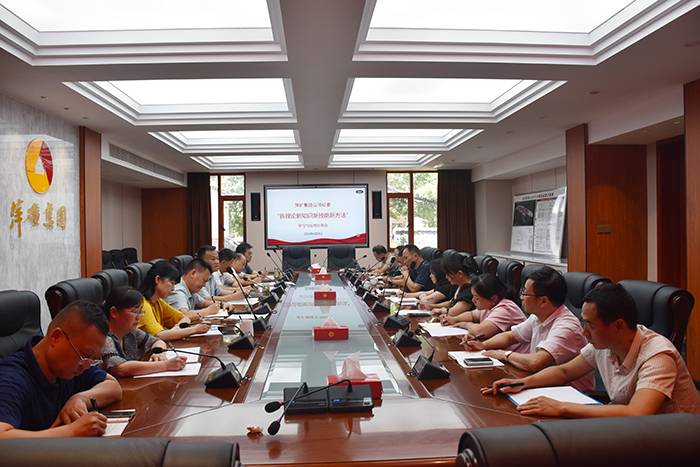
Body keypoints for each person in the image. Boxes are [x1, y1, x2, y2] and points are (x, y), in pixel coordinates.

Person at [485, 283, 700, 417]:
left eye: (590, 325)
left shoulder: (657, 354)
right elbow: (564, 372)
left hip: (674, 442)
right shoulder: (603, 345)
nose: (584, 332)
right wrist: (521, 383)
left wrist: (561, 407)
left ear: (618, 326)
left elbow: (636, 413)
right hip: (632, 431)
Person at [0, 300, 122, 438]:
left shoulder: (69, 366)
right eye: (85, 355)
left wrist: (80, 398)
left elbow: (113, 386)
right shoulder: (11, 379)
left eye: (92, 358)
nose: (87, 365)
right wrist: (72, 431)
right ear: (56, 337)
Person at [464, 266, 594, 391]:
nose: (521, 297)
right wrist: (483, 345)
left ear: (543, 301)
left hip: (569, 393)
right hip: (543, 385)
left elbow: (537, 362)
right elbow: (510, 336)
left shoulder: (566, 327)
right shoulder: (537, 317)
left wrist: (504, 355)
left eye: (525, 293)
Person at [100, 286, 187, 378]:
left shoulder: (130, 331)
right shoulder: (104, 336)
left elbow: (157, 341)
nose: (138, 317)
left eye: (140, 312)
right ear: (114, 312)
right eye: (134, 312)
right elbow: (119, 368)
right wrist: (166, 365)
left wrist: (158, 353)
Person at [136, 260, 210, 340]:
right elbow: (159, 335)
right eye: (171, 283)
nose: (173, 289)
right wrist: (194, 330)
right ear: (158, 280)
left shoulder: (158, 302)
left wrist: (176, 329)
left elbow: (184, 318)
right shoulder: (142, 305)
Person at [447, 273, 527, 345]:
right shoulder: (489, 304)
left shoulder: (505, 309)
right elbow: (472, 315)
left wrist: (466, 324)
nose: (473, 300)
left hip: (516, 354)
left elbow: (480, 332)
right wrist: (454, 319)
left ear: (494, 298)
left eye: (477, 298)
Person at [432, 253, 479, 318]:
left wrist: (440, 310)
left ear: (460, 274)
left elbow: (453, 312)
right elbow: (451, 303)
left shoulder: (469, 290)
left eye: (448, 274)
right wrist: (431, 306)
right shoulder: (458, 285)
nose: (446, 277)